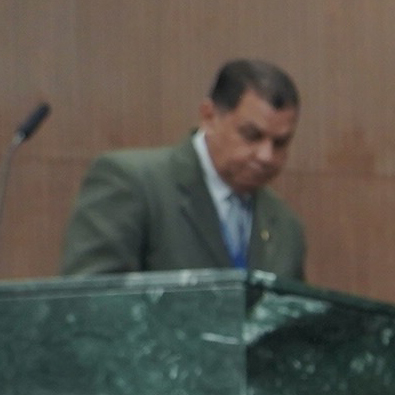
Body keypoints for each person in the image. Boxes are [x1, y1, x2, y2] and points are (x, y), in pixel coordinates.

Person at [60, 59, 305, 278]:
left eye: (280, 143)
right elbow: (89, 299)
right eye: (252, 135)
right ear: (209, 116)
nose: (266, 156)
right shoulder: (132, 183)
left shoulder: (285, 225)